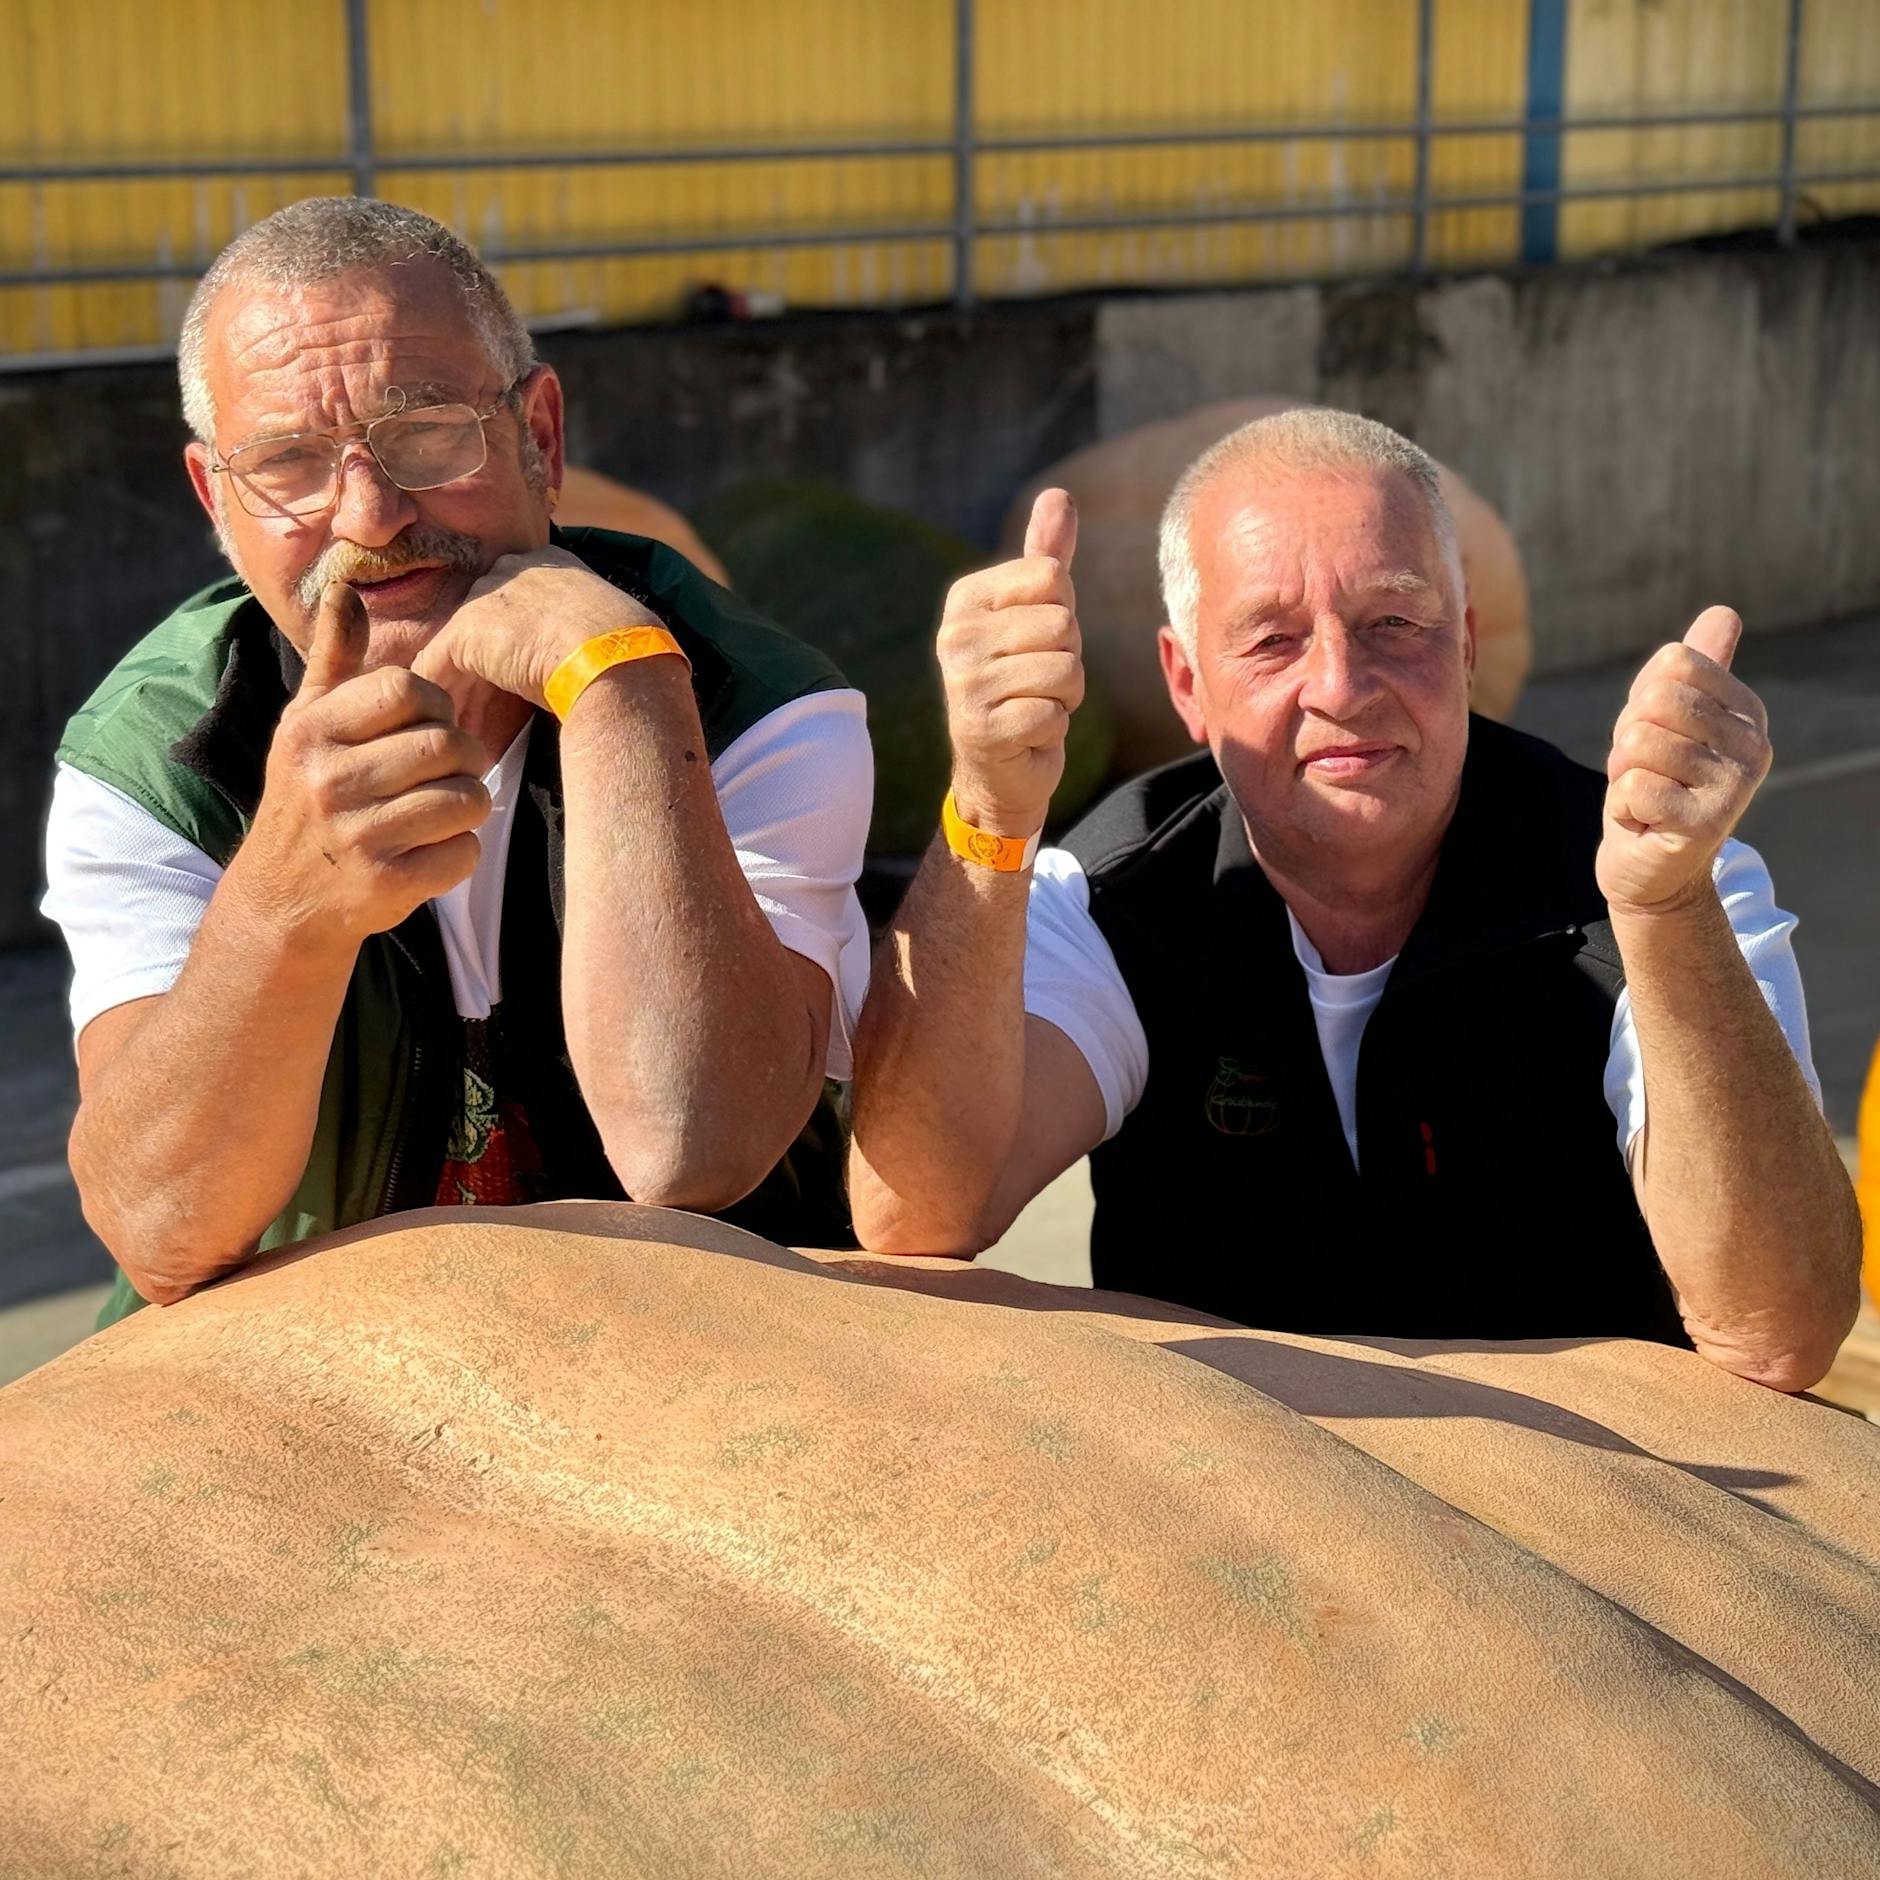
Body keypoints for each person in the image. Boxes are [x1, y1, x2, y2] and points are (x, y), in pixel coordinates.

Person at [848, 408, 1860, 1393]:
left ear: (1463, 644)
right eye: (1271, 639)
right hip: (1242, 1526)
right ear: (1185, 682)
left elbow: (1777, 1332)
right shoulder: (1115, 893)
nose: (1340, 682)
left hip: (1602, 1530)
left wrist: (1665, 912)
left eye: (1391, 621)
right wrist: (985, 808)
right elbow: (916, 1215)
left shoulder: (1664, 885)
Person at [43, 197, 873, 1324]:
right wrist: (280, 905)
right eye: (289, 461)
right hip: (302, 1393)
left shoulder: (758, 705)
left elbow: (692, 1147)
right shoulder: (151, 754)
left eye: (426, 430)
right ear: (216, 500)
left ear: (540, 435)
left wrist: (624, 690)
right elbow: (159, 1230)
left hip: (689, 1371)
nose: (372, 516)